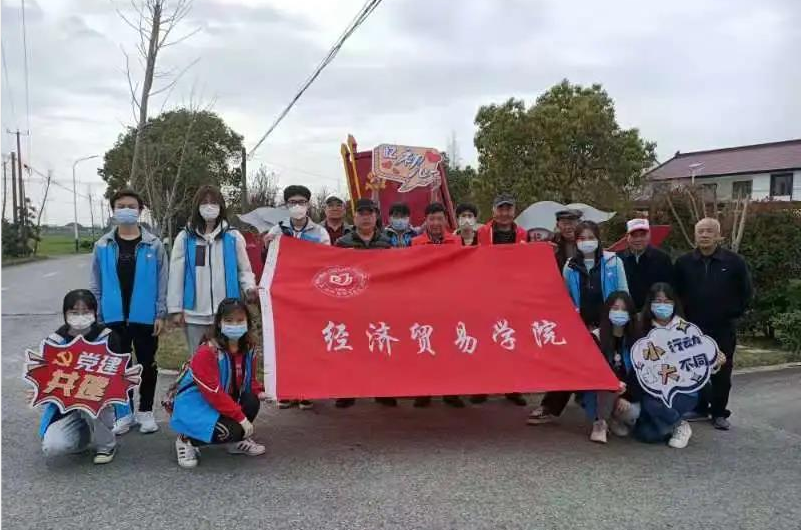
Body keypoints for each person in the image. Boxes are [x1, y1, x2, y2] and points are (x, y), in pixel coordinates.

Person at [528, 220, 629, 424]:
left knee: (611, 367)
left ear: (598, 239)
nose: (586, 242)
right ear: (576, 241)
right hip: (580, 325)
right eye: (582, 238)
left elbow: (624, 293)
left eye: (591, 237)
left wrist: (619, 319)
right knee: (568, 364)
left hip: (609, 324)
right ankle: (550, 407)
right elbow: (565, 297)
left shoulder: (613, 262)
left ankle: (609, 413)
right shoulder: (571, 266)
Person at [90, 189, 167, 436]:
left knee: (146, 365)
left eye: (131, 206)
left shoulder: (154, 244)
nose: (126, 210)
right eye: (121, 206)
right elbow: (96, 283)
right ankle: (124, 413)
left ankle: (145, 411)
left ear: (140, 210)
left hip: (145, 316)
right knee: (119, 366)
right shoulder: (102, 245)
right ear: (113, 210)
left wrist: (160, 313)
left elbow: (162, 281)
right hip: (113, 317)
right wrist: (97, 315)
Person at [674, 217, 752, 430]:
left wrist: (732, 313)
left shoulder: (734, 262)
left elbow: (745, 292)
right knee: (694, 368)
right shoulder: (683, 263)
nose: (705, 235)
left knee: (722, 370)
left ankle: (719, 412)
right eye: (700, 231)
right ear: (695, 235)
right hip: (692, 327)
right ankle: (699, 407)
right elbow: (676, 293)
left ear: (718, 236)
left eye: (709, 231)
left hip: (722, 327)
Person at [170, 298, 267, 468]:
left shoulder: (248, 348)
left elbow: (250, 380)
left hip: (223, 401)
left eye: (240, 320)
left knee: (252, 400)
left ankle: (235, 442)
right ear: (219, 323)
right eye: (229, 320)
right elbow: (213, 393)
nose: (235, 325)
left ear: (247, 322)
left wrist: (260, 391)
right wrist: (240, 417)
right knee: (233, 429)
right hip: (197, 405)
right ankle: (186, 440)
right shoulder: (207, 352)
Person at [30, 290, 124, 464]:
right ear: (65, 313)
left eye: (86, 311)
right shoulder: (55, 341)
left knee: (93, 396)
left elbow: (119, 375)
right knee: (52, 446)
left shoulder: (107, 337)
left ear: (95, 312)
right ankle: (82, 437)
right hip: (67, 406)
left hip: (100, 400)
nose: (80, 317)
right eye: (74, 312)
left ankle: (106, 445)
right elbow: (46, 376)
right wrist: (39, 390)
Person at [167, 185, 258, 361]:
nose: (209, 207)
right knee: (198, 359)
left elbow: (245, 270)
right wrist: (175, 309)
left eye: (214, 202)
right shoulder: (185, 237)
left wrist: (249, 288)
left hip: (227, 314)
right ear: (197, 206)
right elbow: (176, 275)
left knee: (227, 358)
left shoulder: (233, 236)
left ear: (221, 206)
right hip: (194, 314)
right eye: (204, 202)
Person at [627, 283, 724, 448]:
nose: (662, 306)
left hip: (683, 390)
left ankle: (679, 425)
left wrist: (715, 360)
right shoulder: (641, 328)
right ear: (650, 303)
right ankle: (674, 423)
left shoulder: (685, 330)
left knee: (652, 406)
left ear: (674, 303)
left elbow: (700, 358)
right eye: (658, 301)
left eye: (667, 301)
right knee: (645, 434)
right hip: (653, 390)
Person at [263, 185, 331, 410]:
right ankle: (288, 391)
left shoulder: (320, 233)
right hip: (285, 296)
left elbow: (326, 262)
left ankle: (306, 391)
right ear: (286, 205)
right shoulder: (277, 230)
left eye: (301, 202)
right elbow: (269, 264)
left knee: (309, 344)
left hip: (311, 296)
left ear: (308, 204)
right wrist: (267, 247)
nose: (297, 206)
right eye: (292, 202)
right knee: (286, 344)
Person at [335, 198, 393, 407]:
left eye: (370, 214)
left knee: (380, 345)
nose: (366, 218)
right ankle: (348, 391)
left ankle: (382, 390)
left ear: (376, 217)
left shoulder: (386, 243)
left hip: (380, 303)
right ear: (355, 217)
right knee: (350, 347)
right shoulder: (342, 243)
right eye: (362, 214)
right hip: (352, 303)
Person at [472, 193, 527, 406]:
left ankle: (512, 387)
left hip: (514, 296)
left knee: (512, 341)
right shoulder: (481, 233)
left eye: (508, 209)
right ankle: (482, 386)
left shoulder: (524, 234)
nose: (505, 213)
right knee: (486, 341)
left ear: (514, 211)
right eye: (501, 209)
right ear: (493, 211)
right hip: (486, 294)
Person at [409, 202, 464, 408]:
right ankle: (424, 391)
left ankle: (451, 391)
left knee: (449, 347)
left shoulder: (456, 241)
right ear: (425, 221)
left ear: (445, 221)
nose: (435, 223)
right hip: (424, 303)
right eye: (431, 219)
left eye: (439, 219)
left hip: (450, 302)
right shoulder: (415, 243)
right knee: (425, 346)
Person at [580, 291, 641, 444]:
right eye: (615, 308)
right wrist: (614, 384)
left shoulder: (636, 339)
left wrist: (627, 396)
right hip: (602, 391)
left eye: (624, 309)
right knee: (607, 385)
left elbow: (640, 371)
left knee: (633, 412)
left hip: (625, 392)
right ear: (607, 310)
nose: (619, 312)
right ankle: (600, 423)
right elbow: (595, 369)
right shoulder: (596, 336)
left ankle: (613, 419)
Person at [617, 218, 674, 311]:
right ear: (627, 236)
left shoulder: (662, 258)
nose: (638, 239)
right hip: (624, 312)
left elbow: (669, 289)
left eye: (642, 235)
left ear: (649, 235)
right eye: (634, 235)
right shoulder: (617, 259)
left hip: (654, 312)